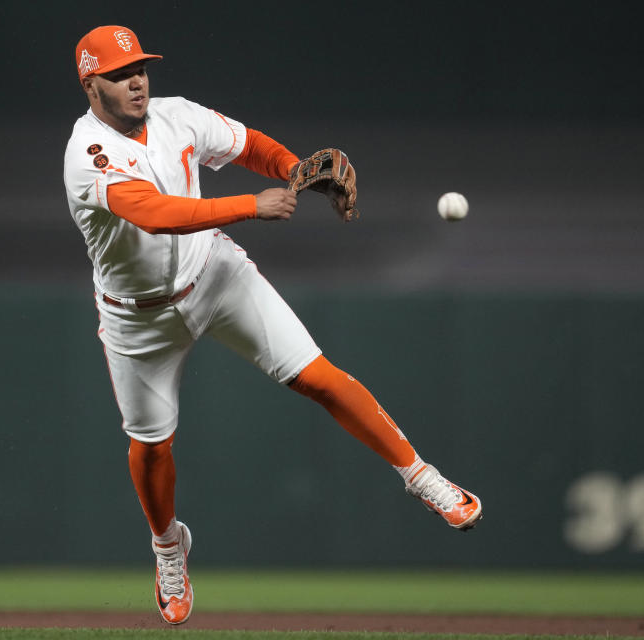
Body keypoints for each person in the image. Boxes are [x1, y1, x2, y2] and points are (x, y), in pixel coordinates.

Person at [63, 25, 482, 625]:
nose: (136, 81)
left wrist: (295, 168)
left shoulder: (177, 115)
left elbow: (247, 144)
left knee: (318, 377)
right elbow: (152, 214)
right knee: (151, 447)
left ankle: (424, 478)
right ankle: (167, 547)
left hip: (215, 274)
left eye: (141, 68)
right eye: (118, 74)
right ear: (90, 83)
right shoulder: (88, 154)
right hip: (138, 320)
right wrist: (249, 205)